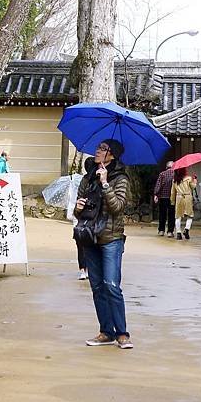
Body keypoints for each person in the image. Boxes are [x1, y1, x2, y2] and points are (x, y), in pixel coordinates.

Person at [74, 139, 132, 349]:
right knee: (97, 287)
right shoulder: (87, 178)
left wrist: (106, 183)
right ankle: (106, 332)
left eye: (103, 149)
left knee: (111, 285)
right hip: (89, 238)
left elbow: (117, 208)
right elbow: (77, 211)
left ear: (112, 155)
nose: (98, 151)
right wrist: (78, 207)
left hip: (111, 239)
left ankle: (122, 333)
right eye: (98, 148)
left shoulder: (121, 179)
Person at [170, 168, 197, 240]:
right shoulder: (188, 178)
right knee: (190, 215)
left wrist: (172, 201)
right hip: (187, 197)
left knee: (178, 216)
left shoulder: (174, 180)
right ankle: (186, 229)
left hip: (179, 197)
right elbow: (193, 187)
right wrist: (194, 180)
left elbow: (173, 192)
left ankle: (178, 233)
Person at [153, 160, 175, 237]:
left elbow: (158, 185)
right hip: (173, 197)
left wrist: (156, 194)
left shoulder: (162, 174)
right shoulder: (175, 175)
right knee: (171, 214)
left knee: (162, 214)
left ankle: (161, 230)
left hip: (163, 197)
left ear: (166, 167)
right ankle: (170, 231)